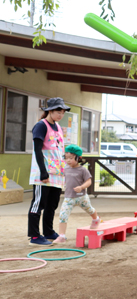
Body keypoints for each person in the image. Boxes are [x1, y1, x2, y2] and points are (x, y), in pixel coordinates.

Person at [28, 97, 70, 246]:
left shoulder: (58, 127)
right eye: (58, 111)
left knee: (52, 204)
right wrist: (43, 172)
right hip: (43, 175)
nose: (61, 114)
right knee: (38, 204)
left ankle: (48, 232)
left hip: (56, 175)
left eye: (63, 112)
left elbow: (59, 150)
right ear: (50, 111)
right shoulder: (41, 126)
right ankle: (34, 236)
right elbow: (37, 150)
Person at [52, 145, 101, 244]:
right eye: (66, 158)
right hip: (69, 198)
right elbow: (62, 173)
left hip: (82, 197)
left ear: (78, 158)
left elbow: (89, 181)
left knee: (90, 209)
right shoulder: (66, 168)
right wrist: (55, 172)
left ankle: (96, 219)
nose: (68, 160)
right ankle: (62, 236)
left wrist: (81, 187)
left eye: (71, 158)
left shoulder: (83, 170)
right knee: (63, 215)